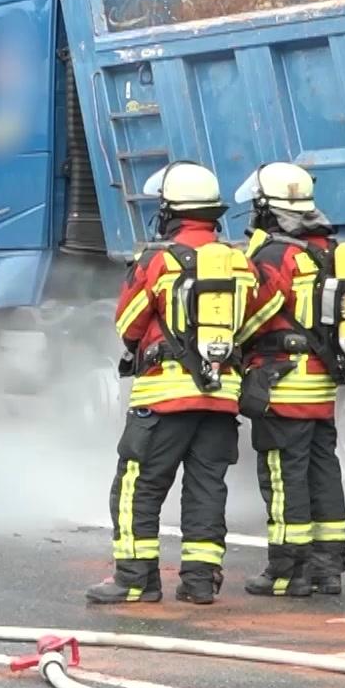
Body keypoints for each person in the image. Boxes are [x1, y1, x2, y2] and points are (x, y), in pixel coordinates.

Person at [88, 161, 255, 606]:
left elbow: (127, 323)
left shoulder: (158, 262)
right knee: (206, 489)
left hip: (163, 398)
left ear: (170, 212)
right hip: (221, 400)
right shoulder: (240, 264)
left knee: (137, 486)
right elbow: (250, 325)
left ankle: (135, 580)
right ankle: (199, 582)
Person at [234, 162, 345, 597]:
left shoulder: (276, 256)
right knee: (324, 474)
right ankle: (327, 569)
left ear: (266, 209)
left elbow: (255, 316)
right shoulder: (330, 250)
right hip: (322, 386)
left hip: (284, 388)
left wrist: (229, 343)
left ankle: (287, 572)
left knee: (284, 480)